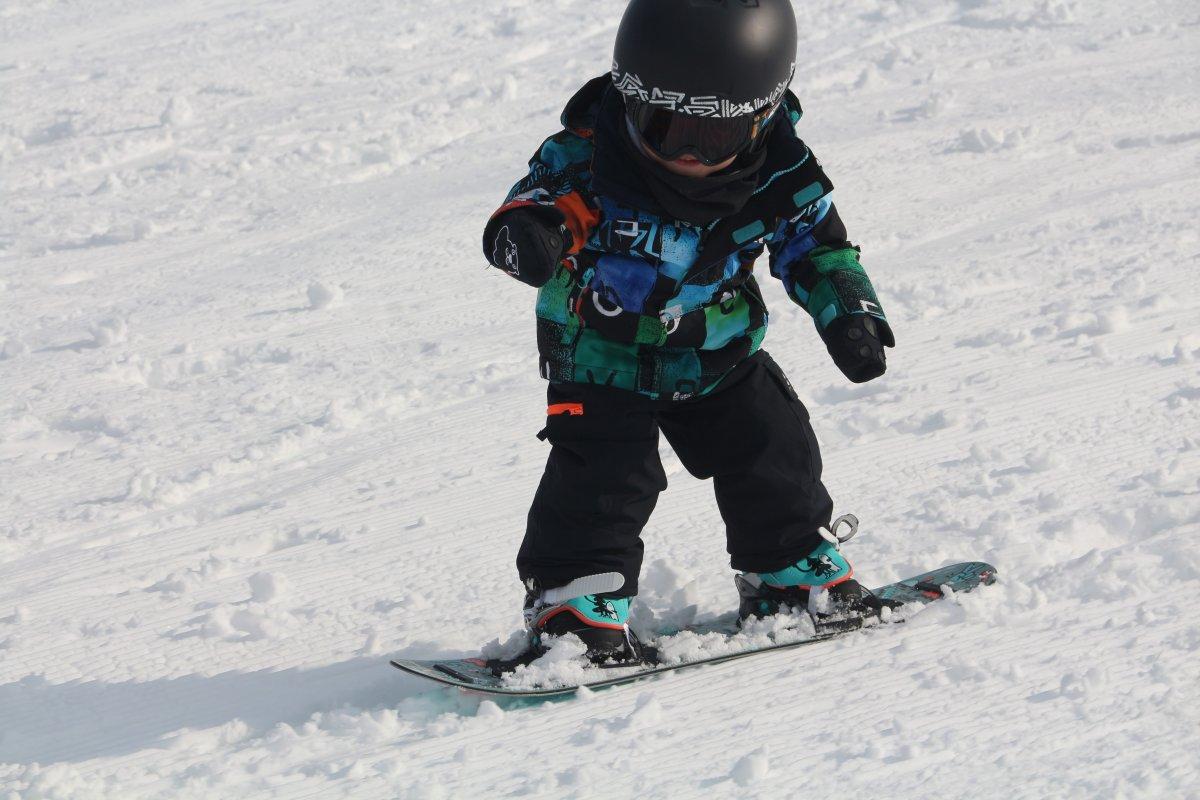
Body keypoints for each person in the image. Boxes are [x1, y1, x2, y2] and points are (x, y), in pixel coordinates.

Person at [481, 0, 894, 664]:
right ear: (632, 100)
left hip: (714, 351)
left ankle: (784, 564)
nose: (692, 157)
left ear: (759, 122)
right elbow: (539, 205)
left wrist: (849, 312)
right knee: (606, 473)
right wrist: (531, 236)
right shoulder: (593, 160)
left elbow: (817, 245)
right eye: (668, 130)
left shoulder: (780, 170)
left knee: (771, 440)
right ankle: (573, 601)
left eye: (717, 139)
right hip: (599, 356)